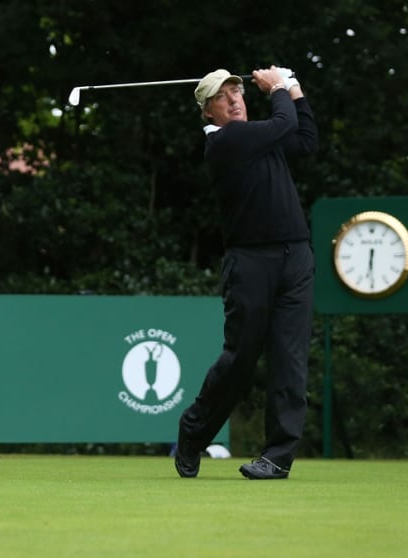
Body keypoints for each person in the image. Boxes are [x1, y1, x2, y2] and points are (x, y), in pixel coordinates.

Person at [175, 66, 318, 480]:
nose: (234, 99)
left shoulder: (260, 135)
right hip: (250, 263)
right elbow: (285, 120)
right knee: (240, 360)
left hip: (296, 256)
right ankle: (194, 430)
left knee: (290, 361)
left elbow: (306, 139)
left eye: (237, 91)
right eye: (223, 96)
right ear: (209, 112)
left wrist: (292, 85)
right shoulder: (226, 140)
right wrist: (280, 85)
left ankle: (277, 457)